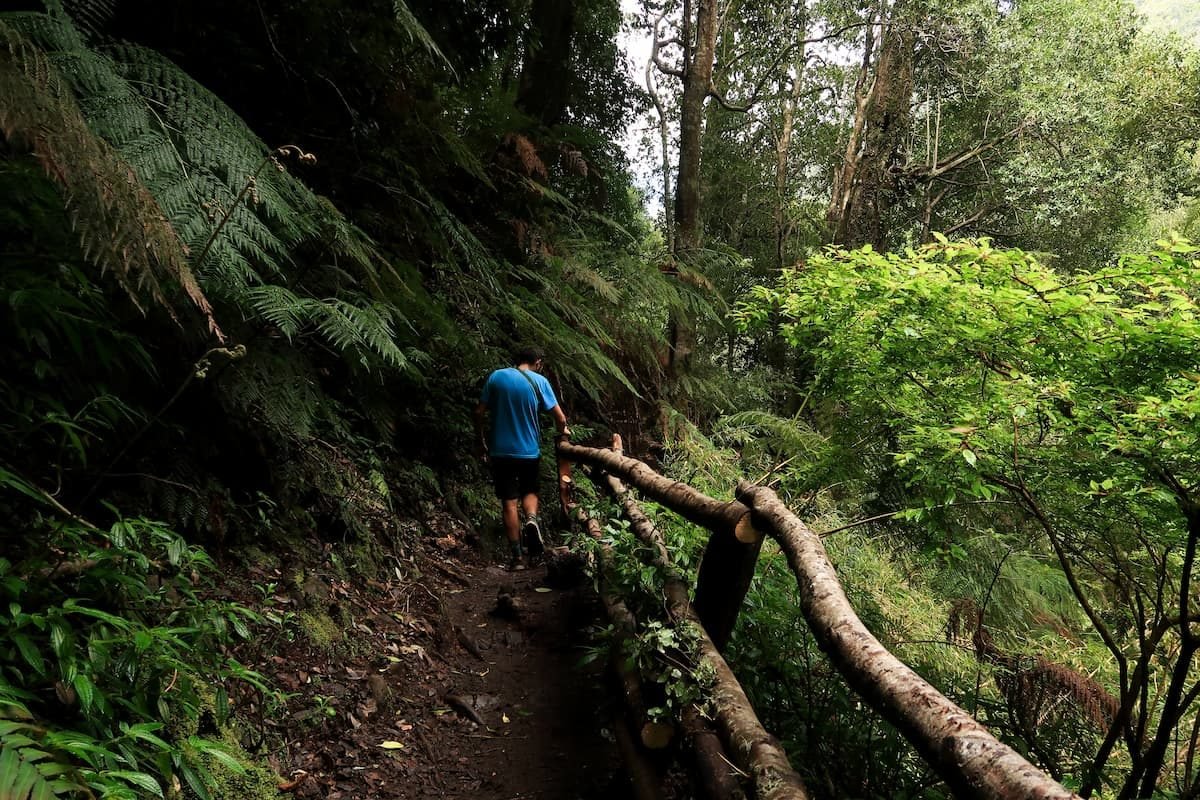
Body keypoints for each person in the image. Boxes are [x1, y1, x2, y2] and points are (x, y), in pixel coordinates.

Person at [474, 346, 570, 570]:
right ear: (537, 362)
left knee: (508, 501)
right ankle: (531, 519)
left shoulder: (497, 377)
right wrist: (563, 431)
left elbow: (478, 412)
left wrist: (479, 440)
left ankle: (517, 557)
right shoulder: (540, 382)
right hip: (529, 451)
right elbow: (560, 417)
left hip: (500, 451)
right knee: (530, 491)